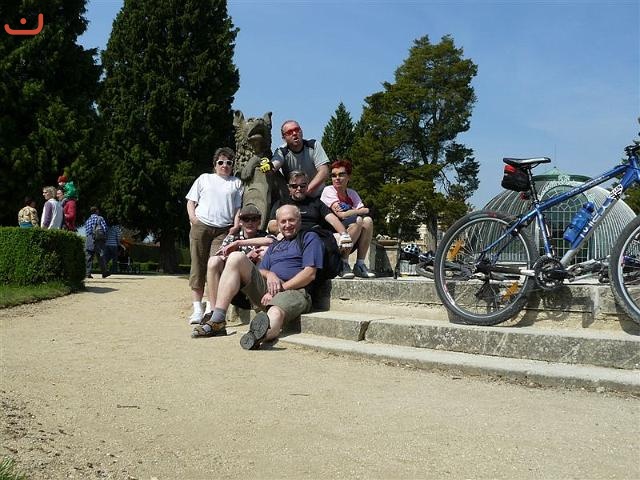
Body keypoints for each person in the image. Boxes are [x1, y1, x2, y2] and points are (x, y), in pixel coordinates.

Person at [192, 204, 323, 351]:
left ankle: (259, 335)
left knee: (275, 311)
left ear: (299, 220)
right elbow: (261, 270)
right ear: (278, 224)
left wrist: (280, 288)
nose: (287, 225)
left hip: (294, 291)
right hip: (266, 290)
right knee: (236, 257)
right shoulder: (276, 245)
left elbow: (309, 274)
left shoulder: (309, 238)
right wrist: (270, 274)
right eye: (283, 221)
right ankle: (218, 319)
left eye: (291, 220)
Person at [185, 147, 243, 324]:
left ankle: (212, 307)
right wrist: (193, 219)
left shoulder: (236, 183)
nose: (224, 165)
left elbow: (237, 208)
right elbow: (191, 201)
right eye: (221, 162)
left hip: (223, 230)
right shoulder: (204, 178)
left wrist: (236, 225)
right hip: (202, 225)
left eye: (228, 162)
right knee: (198, 265)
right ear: (215, 164)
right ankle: (197, 308)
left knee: (215, 265)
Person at [268, 171, 354, 277]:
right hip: (291, 236)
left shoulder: (316, 202)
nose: (298, 188)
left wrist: (344, 234)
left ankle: (342, 265)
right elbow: (271, 225)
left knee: (345, 236)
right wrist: (289, 231)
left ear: (307, 186)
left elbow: (332, 219)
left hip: (315, 234)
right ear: (289, 187)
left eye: (302, 185)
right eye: (294, 186)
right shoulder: (281, 203)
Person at [202, 205, 275, 318]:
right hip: (233, 287)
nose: (250, 222)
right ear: (240, 222)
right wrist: (246, 258)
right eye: (246, 219)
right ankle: (213, 311)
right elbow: (221, 257)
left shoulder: (265, 237)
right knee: (213, 261)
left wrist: (239, 244)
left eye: (254, 219)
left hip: (256, 287)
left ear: (259, 221)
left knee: (264, 252)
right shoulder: (231, 238)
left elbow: (272, 241)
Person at [321, 159, 376, 279]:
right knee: (358, 220)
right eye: (334, 175)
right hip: (332, 234)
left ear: (349, 177)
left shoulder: (352, 193)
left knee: (368, 221)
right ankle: (343, 263)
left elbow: (363, 213)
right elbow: (342, 215)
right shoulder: (328, 190)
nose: (337, 178)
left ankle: (360, 264)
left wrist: (353, 211)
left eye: (341, 174)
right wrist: (360, 210)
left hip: (351, 234)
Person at [269, 120, 330, 198]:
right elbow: (275, 164)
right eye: (289, 132)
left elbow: (324, 171)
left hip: (318, 196)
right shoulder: (281, 151)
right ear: (284, 138)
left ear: (301, 131)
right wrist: (268, 167)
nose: (294, 133)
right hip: (295, 198)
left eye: (297, 129)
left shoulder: (313, 145)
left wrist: (307, 190)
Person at [85, 206, 109, 279]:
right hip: (98, 239)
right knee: (101, 255)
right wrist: (105, 237)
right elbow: (105, 228)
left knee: (89, 256)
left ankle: (87, 273)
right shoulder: (100, 218)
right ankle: (104, 273)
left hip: (89, 238)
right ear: (97, 211)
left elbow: (87, 231)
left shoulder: (88, 220)